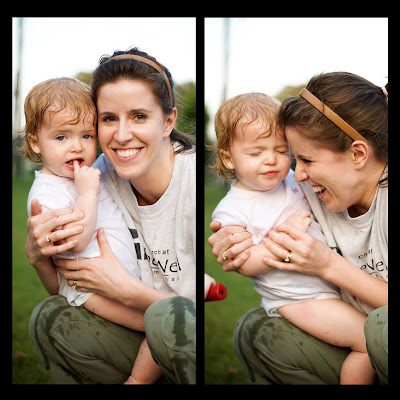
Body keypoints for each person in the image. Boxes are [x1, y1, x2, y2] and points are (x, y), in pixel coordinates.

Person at [25, 48, 196, 384]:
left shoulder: (191, 185)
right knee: (51, 317)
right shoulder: (95, 173)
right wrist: (37, 255)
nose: (121, 135)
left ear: (168, 121)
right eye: (108, 119)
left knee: (169, 321)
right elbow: (65, 277)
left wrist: (126, 290)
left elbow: (191, 315)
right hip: (127, 313)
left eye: (139, 116)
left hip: (186, 334)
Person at [208, 72, 388, 384]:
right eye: (296, 158)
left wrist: (328, 265)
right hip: (321, 308)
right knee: (256, 329)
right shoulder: (307, 188)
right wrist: (233, 248)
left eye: (302, 158)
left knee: (379, 328)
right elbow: (245, 240)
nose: (298, 174)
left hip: (374, 328)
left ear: (358, 154)